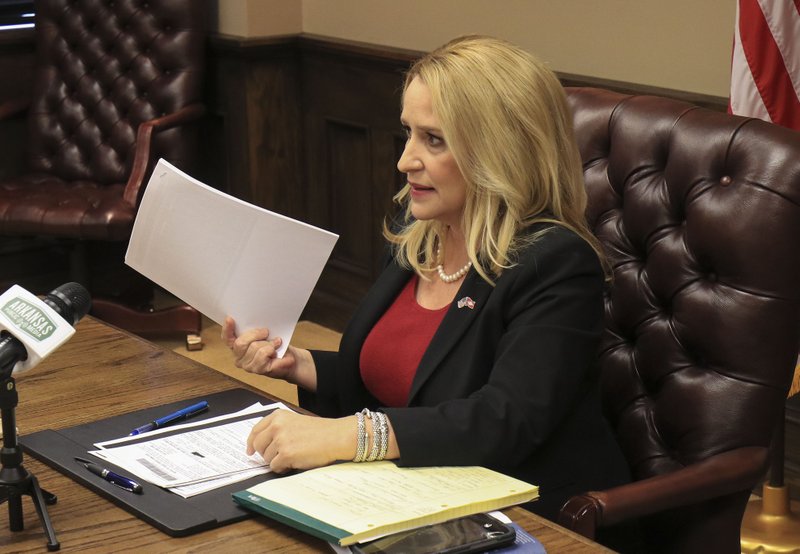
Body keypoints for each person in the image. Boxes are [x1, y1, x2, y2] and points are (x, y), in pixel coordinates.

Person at [223, 35, 630, 521]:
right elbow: (402, 386)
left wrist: (348, 434)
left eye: (433, 140)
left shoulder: (556, 261)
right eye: (408, 132)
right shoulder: (416, 235)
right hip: (406, 494)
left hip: (527, 514)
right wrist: (297, 365)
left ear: (500, 151)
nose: (404, 160)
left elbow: (503, 420)